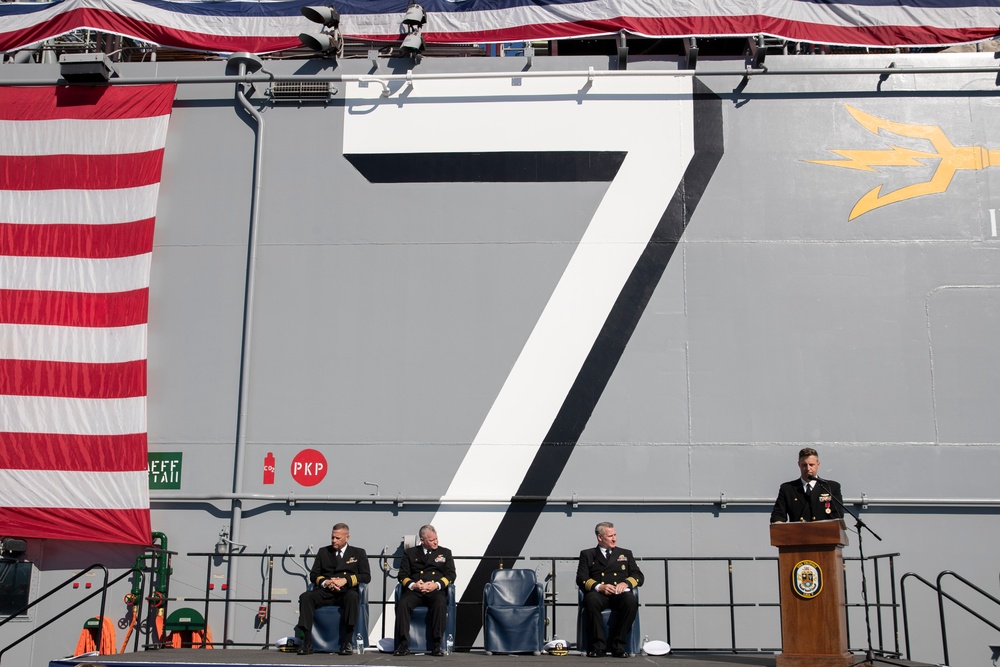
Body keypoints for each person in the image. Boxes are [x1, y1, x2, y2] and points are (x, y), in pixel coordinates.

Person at [295, 522, 371, 655]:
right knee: (305, 597)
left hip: (345, 592)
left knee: (353, 597)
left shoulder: (358, 553)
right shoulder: (323, 552)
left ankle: (347, 642)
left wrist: (345, 580)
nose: (334, 541)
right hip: (326, 592)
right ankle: (307, 642)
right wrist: (326, 582)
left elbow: (366, 576)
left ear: (347, 537)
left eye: (337, 538)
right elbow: (314, 575)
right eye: (332, 537)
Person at [576, 522, 643, 658]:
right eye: (610, 536)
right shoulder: (587, 554)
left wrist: (626, 583)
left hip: (619, 595)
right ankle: (598, 646)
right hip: (600, 594)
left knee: (631, 601)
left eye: (615, 535)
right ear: (600, 538)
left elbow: (638, 575)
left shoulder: (625, 553)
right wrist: (599, 587)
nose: (614, 539)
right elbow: (581, 577)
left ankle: (619, 646)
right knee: (590, 600)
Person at [393, 524, 456, 657]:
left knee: (440, 603)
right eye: (432, 540)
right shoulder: (410, 553)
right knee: (403, 604)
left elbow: (451, 575)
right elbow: (402, 575)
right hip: (416, 590)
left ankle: (437, 644)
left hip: (434, 590)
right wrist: (413, 585)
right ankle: (403, 643)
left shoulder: (445, 553)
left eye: (436, 539)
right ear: (422, 540)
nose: (436, 542)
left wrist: (437, 585)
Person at [769, 447, 844, 523]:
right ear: (799, 464)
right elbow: (778, 515)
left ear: (818, 464)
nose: (808, 468)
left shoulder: (830, 487)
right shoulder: (788, 489)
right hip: (797, 533)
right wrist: (778, 523)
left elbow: (837, 515)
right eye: (804, 465)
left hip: (823, 533)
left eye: (811, 465)